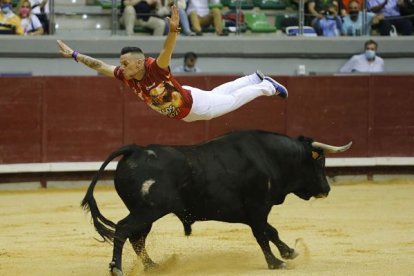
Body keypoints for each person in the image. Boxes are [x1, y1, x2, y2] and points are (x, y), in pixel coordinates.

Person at [57, 6, 287, 122]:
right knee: (218, 94)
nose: (121, 68)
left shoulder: (155, 69)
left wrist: (174, 28)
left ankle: (266, 86)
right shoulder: (126, 75)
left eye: (125, 63)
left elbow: (167, 49)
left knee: (231, 100)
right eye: (121, 64)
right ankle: (252, 79)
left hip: (195, 107)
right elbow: (99, 66)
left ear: (139, 63)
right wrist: (74, 54)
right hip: (187, 102)